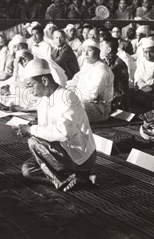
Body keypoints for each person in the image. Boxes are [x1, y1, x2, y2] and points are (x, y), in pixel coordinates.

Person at [19, 59, 98, 191]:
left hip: (79, 156)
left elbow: (63, 132)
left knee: (33, 140)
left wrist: (32, 129)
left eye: (30, 85)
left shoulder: (67, 97)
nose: (29, 90)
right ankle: (79, 178)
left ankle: (67, 178)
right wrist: (31, 127)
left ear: (44, 81)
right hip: (61, 153)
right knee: (27, 170)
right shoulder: (43, 99)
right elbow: (47, 130)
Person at [67, 39, 114, 123]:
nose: (86, 54)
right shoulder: (87, 64)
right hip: (83, 100)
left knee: (71, 108)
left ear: (97, 52)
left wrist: (72, 97)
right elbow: (74, 82)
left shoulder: (101, 68)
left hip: (99, 107)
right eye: (84, 51)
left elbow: (92, 95)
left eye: (89, 50)